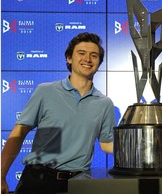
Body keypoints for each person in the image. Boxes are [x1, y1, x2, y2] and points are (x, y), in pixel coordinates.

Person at [1, 32, 115, 194]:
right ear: (69, 58)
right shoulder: (45, 91)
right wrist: (1, 175)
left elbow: (107, 144)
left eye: (94, 55)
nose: (87, 59)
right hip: (38, 181)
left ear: (99, 63)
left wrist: (141, 148)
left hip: (79, 184)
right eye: (81, 53)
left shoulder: (104, 103)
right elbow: (19, 133)